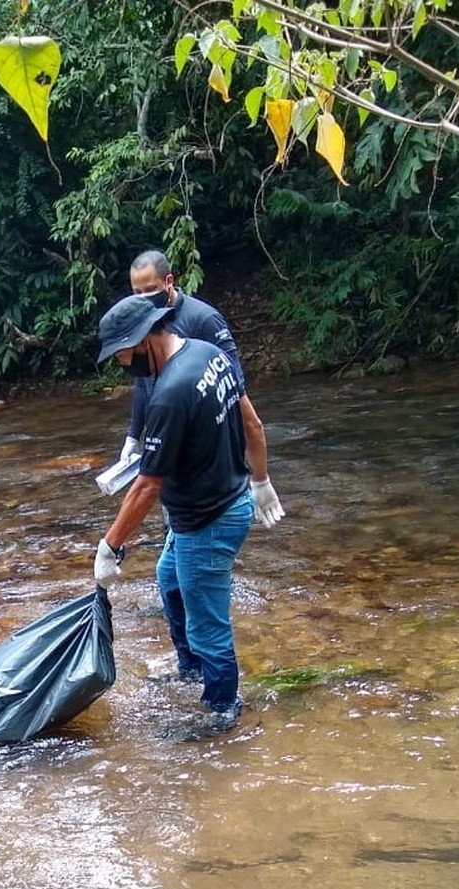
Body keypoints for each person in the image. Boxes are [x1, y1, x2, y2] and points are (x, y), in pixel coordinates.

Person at [91, 294, 285, 731]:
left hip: (208, 520)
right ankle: (190, 668)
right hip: (216, 503)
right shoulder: (209, 354)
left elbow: (147, 486)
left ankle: (223, 709)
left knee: (207, 624)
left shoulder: (170, 395)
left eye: (122, 353)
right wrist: (260, 481)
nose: (122, 363)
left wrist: (110, 545)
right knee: (170, 581)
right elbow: (251, 422)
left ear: (143, 340)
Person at [117, 248, 240, 467]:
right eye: (138, 293)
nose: (145, 298)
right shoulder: (140, 324)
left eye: (151, 289)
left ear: (169, 281)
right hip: (167, 430)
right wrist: (133, 436)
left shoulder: (203, 319)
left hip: (206, 434)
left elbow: (234, 384)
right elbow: (143, 383)